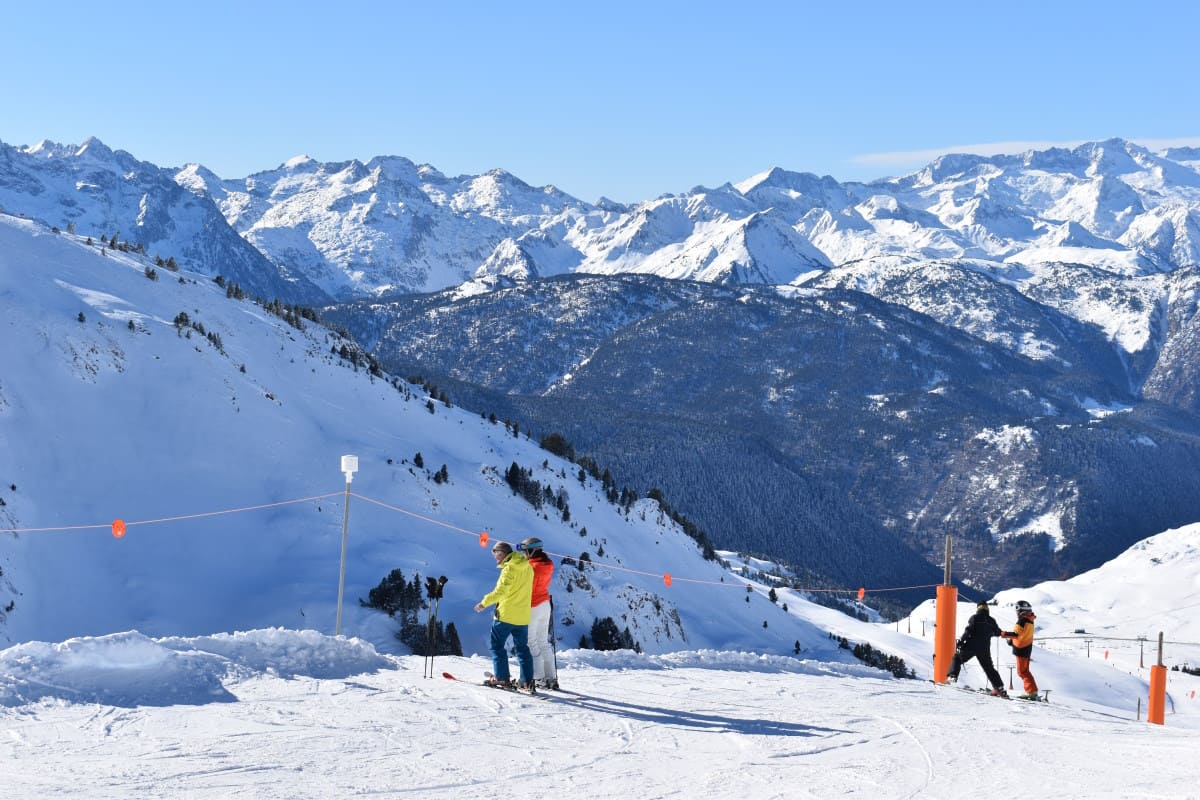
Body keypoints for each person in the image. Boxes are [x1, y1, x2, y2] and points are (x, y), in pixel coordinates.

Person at [474, 540, 535, 690]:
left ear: (504, 553)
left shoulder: (509, 569)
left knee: (497, 646)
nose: (496, 557)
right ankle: (527, 681)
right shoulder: (528, 567)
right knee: (523, 649)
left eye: (497, 554)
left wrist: (484, 603)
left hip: (506, 615)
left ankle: (502, 678)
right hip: (522, 616)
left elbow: (501, 592)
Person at [520, 537, 559, 690]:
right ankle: (551, 677)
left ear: (532, 550)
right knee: (543, 642)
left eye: (525, 551)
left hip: (532, 606)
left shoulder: (530, 567)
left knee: (531, 643)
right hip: (545, 604)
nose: (524, 554)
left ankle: (538, 678)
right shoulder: (548, 564)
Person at [947, 601, 1008, 697]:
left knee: (957, 658)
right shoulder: (991, 620)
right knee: (989, 668)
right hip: (984, 649)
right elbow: (997, 632)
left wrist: (961, 642)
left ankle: (952, 677)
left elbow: (969, 630)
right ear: (987, 609)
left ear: (978, 608)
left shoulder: (974, 618)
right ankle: (999, 688)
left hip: (971, 645)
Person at [1001, 600, 1040, 700]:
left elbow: (1016, 635)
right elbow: (1022, 635)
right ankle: (1032, 691)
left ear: (1020, 610)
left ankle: (1031, 692)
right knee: (1025, 671)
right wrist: (1011, 642)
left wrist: (1003, 634)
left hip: (1022, 649)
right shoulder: (1030, 620)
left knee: (1022, 672)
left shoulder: (1022, 620)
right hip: (1026, 648)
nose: (1016, 613)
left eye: (1017, 610)